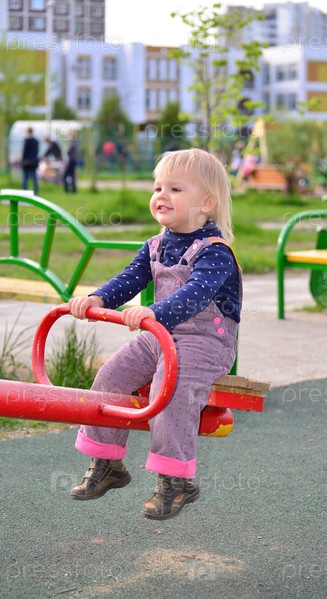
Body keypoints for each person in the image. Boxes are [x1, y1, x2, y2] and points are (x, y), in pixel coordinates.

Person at [67, 148, 242, 520]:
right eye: (158, 187)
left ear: (206, 203)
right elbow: (129, 278)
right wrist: (98, 298)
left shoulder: (215, 253)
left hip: (205, 341)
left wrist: (153, 312)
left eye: (175, 189)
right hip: (159, 332)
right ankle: (108, 463)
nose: (162, 195)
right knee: (109, 377)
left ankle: (176, 480)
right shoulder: (156, 245)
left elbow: (195, 294)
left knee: (171, 389)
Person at [21, 126, 39, 195]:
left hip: (27, 162)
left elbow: (24, 151)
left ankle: (24, 192)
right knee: (34, 178)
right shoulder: (36, 141)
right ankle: (36, 192)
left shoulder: (26, 140)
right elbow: (37, 151)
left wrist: (22, 161)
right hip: (34, 162)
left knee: (25, 178)